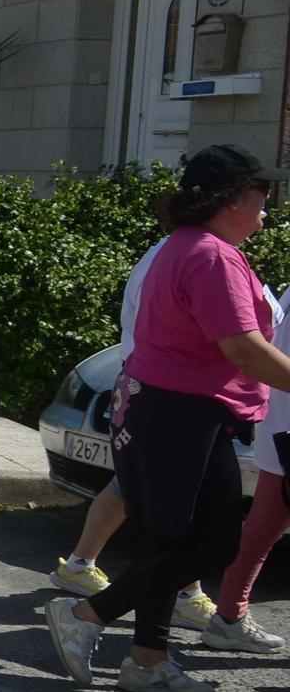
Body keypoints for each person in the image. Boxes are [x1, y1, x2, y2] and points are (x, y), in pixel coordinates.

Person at [45, 145, 290, 692]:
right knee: (206, 544)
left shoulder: (187, 246)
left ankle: (147, 661)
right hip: (179, 413)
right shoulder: (211, 257)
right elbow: (245, 350)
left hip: (180, 411)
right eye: (260, 198)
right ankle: (85, 613)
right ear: (230, 201)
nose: (266, 212)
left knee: (182, 540)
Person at [49, 236, 220, 633]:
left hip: (142, 380)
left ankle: (81, 566)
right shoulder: (196, 255)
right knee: (177, 505)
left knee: (135, 485)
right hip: (163, 389)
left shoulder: (168, 250)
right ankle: (177, 600)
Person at [207, 278, 290, 655]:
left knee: (261, 529)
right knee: (261, 529)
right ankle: (229, 617)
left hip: (280, 424)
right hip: (283, 422)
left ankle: (229, 616)